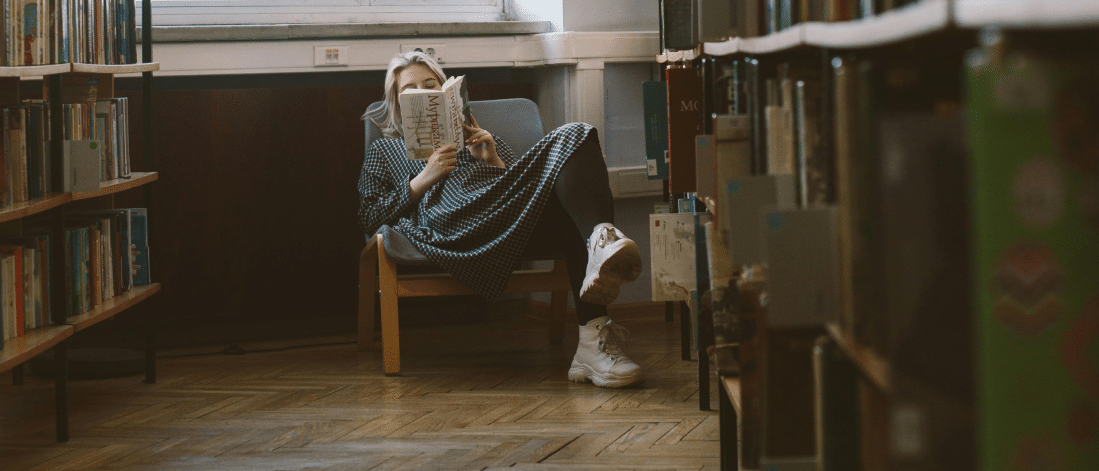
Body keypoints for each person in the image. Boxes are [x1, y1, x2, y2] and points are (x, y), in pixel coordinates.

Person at [359, 51, 644, 388]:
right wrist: (423, 179)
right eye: (410, 89)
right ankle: (602, 241)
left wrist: (492, 159)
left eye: (430, 85)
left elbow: (525, 187)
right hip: (451, 221)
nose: (422, 91)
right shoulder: (385, 150)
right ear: (397, 102)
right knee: (573, 152)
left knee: (578, 134)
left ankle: (592, 343)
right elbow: (370, 217)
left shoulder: (478, 136)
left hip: (503, 215)